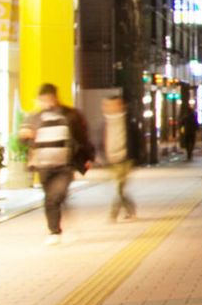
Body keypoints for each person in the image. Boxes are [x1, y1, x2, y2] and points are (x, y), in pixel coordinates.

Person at [19, 84, 90, 245]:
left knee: (55, 196)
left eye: (49, 99)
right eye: (43, 100)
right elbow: (22, 139)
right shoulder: (34, 117)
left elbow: (82, 138)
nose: (46, 103)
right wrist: (25, 136)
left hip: (64, 165)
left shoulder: (69, 115)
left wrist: (87, 157)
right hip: (43, 165)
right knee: (50, 198)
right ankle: (54, 229)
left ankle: (55, 230)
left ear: (55, 97)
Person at [95, 95, 141, 221]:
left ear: (121, 105)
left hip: (125, 159)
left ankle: (114, 213)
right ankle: (129, 210)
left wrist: (136, 158)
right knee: (119, 188)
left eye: (114, 104)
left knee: (119, 186)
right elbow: (99, 143)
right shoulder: (103, 124)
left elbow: (136, 141)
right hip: (110, 160)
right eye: (107, 105)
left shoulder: (128, 122)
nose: (110, 107)